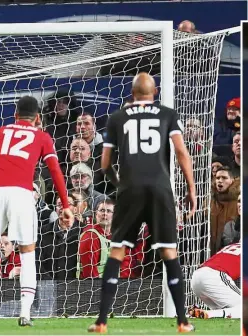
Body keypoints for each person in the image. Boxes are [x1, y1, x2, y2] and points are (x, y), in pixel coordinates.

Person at [87, 73, 196, 333]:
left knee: (117, 251)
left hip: (129, 189)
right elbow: (181, 152)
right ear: (155, 91)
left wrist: (119, 185)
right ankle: (182, 321)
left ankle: (102, 321)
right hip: (160, 188)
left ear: (132, 93)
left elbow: (104, 165)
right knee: (169, 252)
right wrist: (192, 189)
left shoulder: (117, 117)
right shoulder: (168, 114)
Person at [0, 96, 73, 328]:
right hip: (22, 193)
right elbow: (55, 171)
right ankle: (25, 312)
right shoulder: (42, 136)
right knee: (27, 254)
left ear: (15, 115)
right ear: (37, 118)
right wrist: (65, 205)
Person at [189, 243, 240, 319]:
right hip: (214, 276)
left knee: (228, 311)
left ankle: (195, 314)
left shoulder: (234, 246)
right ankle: (209, 314)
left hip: (197, 276)